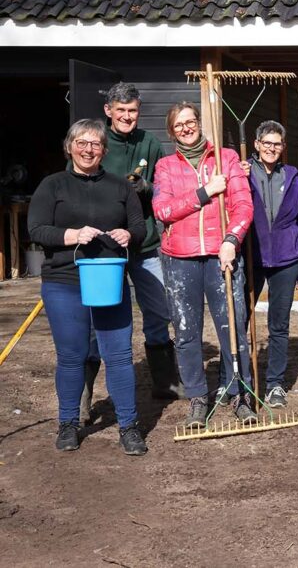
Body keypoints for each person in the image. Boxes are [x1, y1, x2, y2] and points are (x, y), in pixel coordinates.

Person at [28, 119, 148, 455]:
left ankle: (129, 426)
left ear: (104, 150)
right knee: (71, 357)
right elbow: (36, 229)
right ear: (69, 147)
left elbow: (139, 227)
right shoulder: (53, 185)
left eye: (95, 144)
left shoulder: (121, 188)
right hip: (64, 281)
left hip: (109, 279)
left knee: (120, 356)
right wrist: (72, 235)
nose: (88, 149)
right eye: (81, 142)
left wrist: (129, 235)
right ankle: (68, 423)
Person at [82, 83, 184, 414]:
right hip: (103, 248)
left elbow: (164, 190)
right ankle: (84, 393)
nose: (128, 116)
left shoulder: (149, 143)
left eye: (133, 111)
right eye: (121, 110)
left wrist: (147, 186)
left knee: (159, 313)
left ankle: (165, 382)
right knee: (101, 318)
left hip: (146, 244)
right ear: (108, 110)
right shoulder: (96, 142)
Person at [152, 102, 256, 427]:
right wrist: (204, 192)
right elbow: (163, 211)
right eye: (179, 124)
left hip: (219, 255)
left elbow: (243, 206)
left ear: (199, 122)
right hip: (179, 259)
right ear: (172, 132)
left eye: (191, 121)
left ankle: (240, 394)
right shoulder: (165, 167)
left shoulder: (226, 159)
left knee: (233, 327)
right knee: (186, 333)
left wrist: (231, 240)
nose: (186, 127)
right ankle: (198, 397)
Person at [244, 120, 298, 408]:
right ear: (257, 144)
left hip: (286, 258)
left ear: (283, 148)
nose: (271, 148)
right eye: (266, 143)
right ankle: (234, 381)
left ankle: (274, 385)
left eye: (277, 144)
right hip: (251, 257)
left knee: (279, 325)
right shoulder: (242, 172)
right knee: (239, 320)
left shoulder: (292, 177)